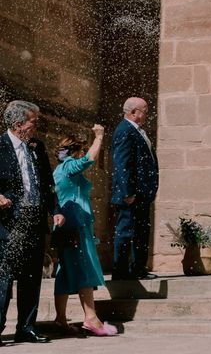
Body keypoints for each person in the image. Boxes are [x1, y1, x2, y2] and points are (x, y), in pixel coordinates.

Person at [0, 100, 64, 344]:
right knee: (3, 277)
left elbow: (48, 183)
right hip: (7, 223)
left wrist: (55, 209)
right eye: (33, 122)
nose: (36, 126)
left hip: (34, 221)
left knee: (31, 276)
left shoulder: (37, 147)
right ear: (18, 125)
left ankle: (26, 327)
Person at [52, 125, 117, 336]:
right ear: (76, 151)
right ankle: (91, 319)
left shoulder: (59, 168)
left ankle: (60, 319)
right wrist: (99, 137)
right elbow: (88, 160)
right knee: (84, 269)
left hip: (64, 227)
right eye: (81, 150)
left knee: (64, 273)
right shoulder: (70, 165)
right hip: (75, 227)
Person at [111, 97, 159, 281]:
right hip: (130, 195)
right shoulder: (125, 130)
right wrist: (127, 192)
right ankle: (121, 271)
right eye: (144, 111)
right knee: (125, 231)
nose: (147, 114)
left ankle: (138, 268)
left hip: (141, 194)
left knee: (140, 231)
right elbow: (121, 163)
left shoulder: (136, 131)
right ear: (133, 112)